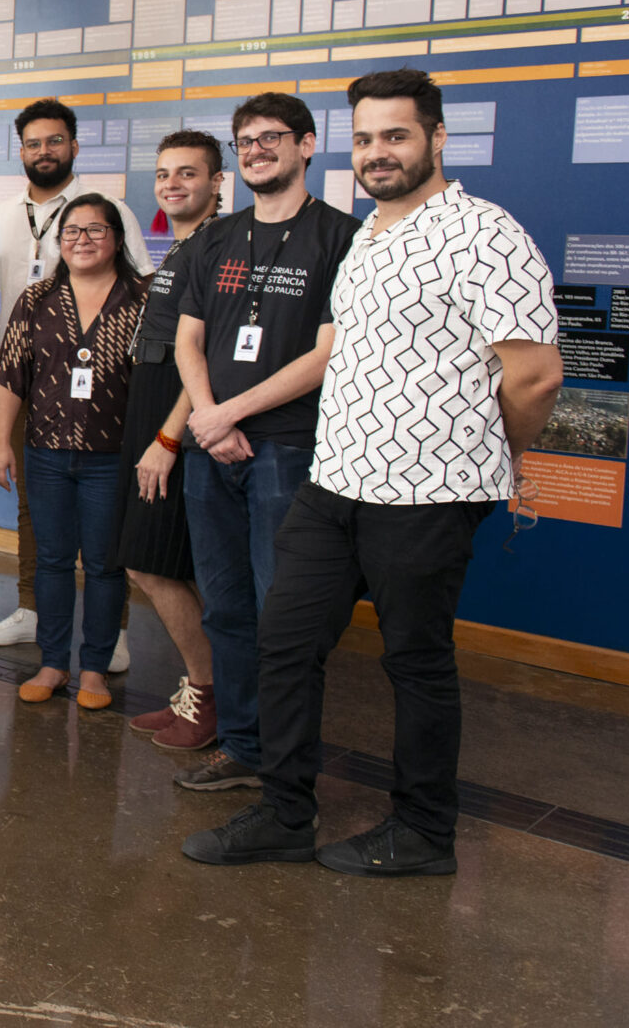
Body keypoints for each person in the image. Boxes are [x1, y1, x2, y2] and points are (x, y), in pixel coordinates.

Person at [186, 70, 561, 875]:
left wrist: (495, 453)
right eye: (364, 139)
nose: (377, 152)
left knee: (415, 661)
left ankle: (424, 831)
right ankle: (285, 812)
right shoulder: (368, 237)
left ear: (437, 138)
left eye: (395, 135)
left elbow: (534, 378)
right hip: (335, 484)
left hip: (430, 491)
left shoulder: (485, 234)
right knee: (285, 642)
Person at [171, 92, 359, 792]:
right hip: (211, 453)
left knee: (284, 614)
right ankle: (243, 747)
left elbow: (327, 353)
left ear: (307, 145)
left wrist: (229, 414)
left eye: (271, 137)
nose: (255, 150)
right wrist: (208, 417)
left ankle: (286, 765)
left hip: (287, 448)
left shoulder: (343, 237)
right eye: (245, 140)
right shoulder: (216, 238)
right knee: (225, 607)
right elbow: (189, 339)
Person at [0, 99, 149, 670]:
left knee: (107, 527)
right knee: (33, 510)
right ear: (21, 150)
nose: (43, 151)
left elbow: (142, 293)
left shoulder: (109, 211)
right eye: (33, 143)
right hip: (32, 382)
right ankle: (31, 610)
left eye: (54, 141)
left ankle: (112, 632)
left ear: (74, 146)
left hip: (109, 397)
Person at [122, 132, 225, 751]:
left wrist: (169, 435)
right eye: (164, 174)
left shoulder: (218, 245)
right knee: (154, 562)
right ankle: (202, 688)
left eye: (188, 173)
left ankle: (210, 697)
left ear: (217, 182)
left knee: (151, 561)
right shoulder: (184, 245)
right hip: (153, 407)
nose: (172, 184)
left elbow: (204, 353)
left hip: (175, 419)